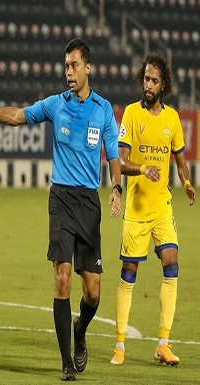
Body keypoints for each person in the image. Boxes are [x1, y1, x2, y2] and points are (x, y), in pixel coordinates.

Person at [0, 38, 122, 381]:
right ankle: (66, 362)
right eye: (65, 66)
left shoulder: (103, 109)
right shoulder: (55, 104)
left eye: (74, 65)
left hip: (89, 203)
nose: (69, 72)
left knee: (92, 293)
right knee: (62, 278)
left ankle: (80, 332)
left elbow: (112, 156)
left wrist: (117, 188)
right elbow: (18, 116)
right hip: (60, 199)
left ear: (88, 67)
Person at [110, 54, 196, 366]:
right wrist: (142, 169)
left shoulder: (172, 119)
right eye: (146, 79)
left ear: (164, 85)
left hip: (161, 205)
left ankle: (163, 343)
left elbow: (181, 162)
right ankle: (120, 345)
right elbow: (120, 160)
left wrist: (186, 183)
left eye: (154, 80)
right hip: (135, 208)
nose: (148, 85)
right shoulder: (131, 114)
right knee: (129, 274)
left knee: (171, 264)